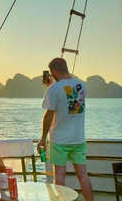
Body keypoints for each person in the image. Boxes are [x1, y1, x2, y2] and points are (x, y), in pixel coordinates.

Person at [37, 57, 94, 201]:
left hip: (60, 140)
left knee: (60, 176)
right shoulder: (82, 86)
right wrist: (53, 85)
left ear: (54, 71)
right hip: (78, 139)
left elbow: (49, 115)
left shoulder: (53, 89)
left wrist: (43, 138)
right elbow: (69, 98)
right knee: (83, 175)